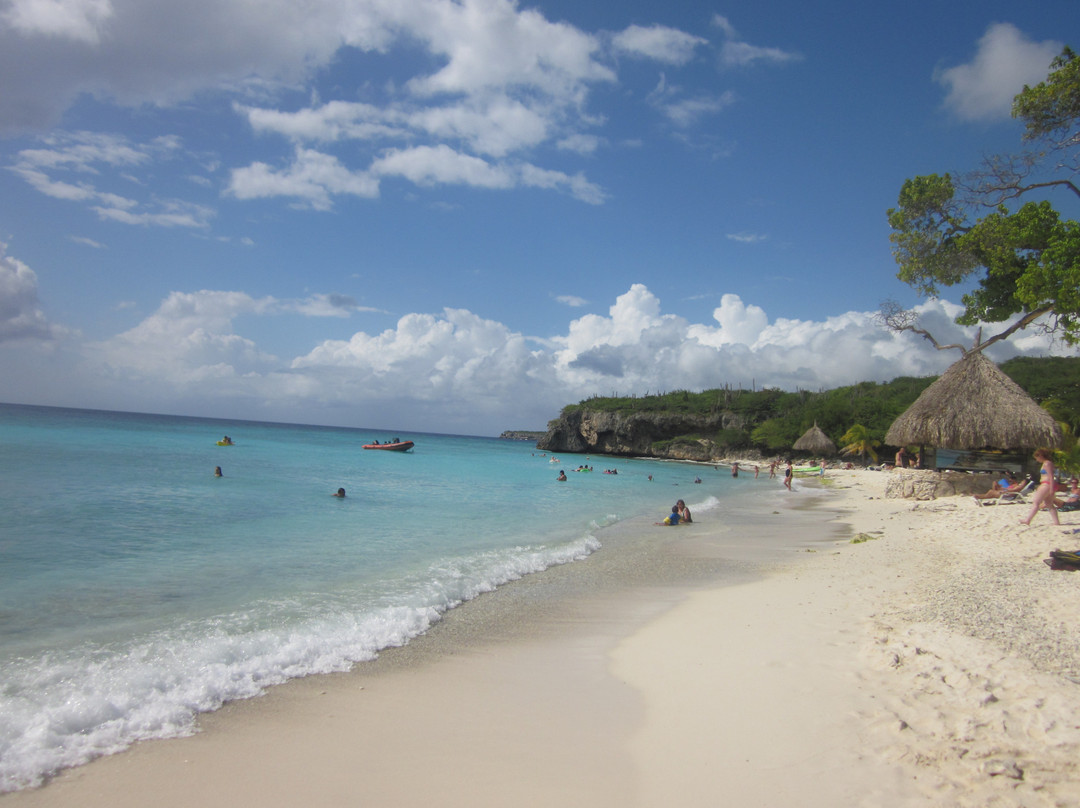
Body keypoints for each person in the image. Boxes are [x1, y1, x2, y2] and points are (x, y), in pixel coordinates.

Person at [1022, 449, 1059, 526]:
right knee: (1049, 504)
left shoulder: (1047, 463)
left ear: (1041, 456)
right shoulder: (1048, 463)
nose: (1036, 459)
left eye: (1037, 457)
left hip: (1046, 484)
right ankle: (1056, 522)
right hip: (1048, 484)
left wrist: (1052, 489)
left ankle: (1028, 520)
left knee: (1036, 502)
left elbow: (1051, 476)